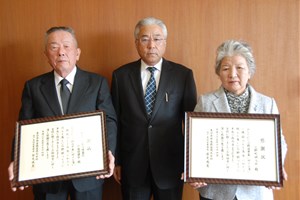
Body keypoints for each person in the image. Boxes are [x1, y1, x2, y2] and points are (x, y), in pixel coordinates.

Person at [8, 26, 117, 200]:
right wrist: (18, 160)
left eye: (66, 46)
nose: (61, 52)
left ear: (77, 53)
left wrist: (109, 151)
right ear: (46, 54)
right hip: (47, 177)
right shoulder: (33, 87)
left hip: (87, 175)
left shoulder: (97, 83)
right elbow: (23, 127)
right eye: (54, 47)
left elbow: (109, 120)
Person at [189, 39, 288, 200]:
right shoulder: (206, 102)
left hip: (255, 191)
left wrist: (277, 166)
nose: (232, 74)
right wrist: (193, 169)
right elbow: (195, 142)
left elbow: (279, 141)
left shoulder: (267, 103)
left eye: (240, 68)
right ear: (218, 72)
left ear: (250, 71)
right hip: (216, 192)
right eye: (226, 68)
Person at [111, 17, 197, 200]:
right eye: (145, 39)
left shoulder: (183, 75)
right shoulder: (120, 76)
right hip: (132, 165)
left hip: (171, 165)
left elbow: (192, 124)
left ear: (164, 43)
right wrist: (117, 160)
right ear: (136, 43)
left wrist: (192, 163)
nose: (151, 45)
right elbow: (115, 120)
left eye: (157, 39)